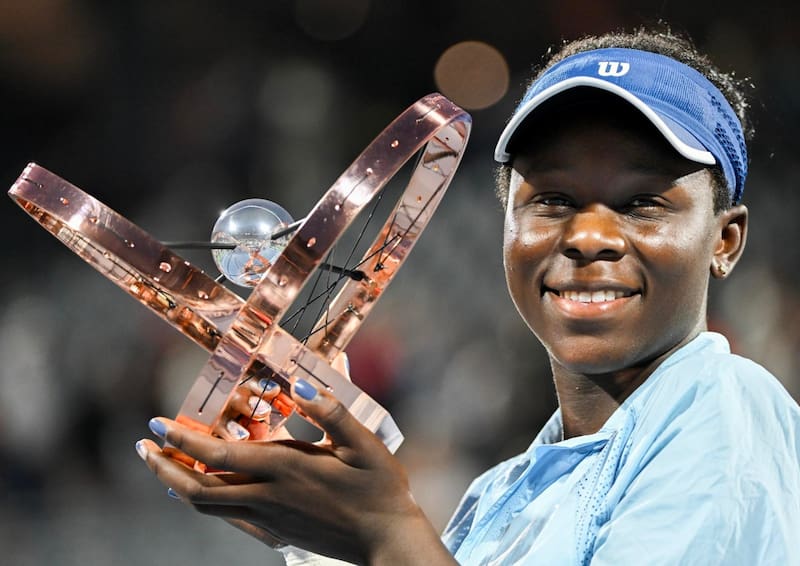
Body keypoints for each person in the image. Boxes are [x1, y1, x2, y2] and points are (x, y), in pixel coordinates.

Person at [135, 28, 800, 565]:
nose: (590, 234)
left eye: (642, 203)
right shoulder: (501, 494)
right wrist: (317, 535)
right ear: (506, 227)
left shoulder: (728, 411)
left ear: (725, 240)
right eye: (554, 199)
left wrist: (386, 534)